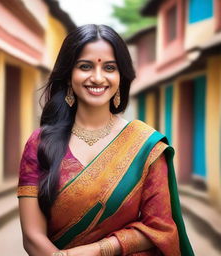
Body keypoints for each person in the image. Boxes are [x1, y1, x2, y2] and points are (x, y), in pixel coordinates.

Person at [17, 24, 194, 256]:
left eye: (109, 67)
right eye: (85, 66)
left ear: (121, 77)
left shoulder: (145, 145)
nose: (98, 78)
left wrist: (96, 251)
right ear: (69, 76)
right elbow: (32, 237)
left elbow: (159, 229)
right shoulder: (40, 143)